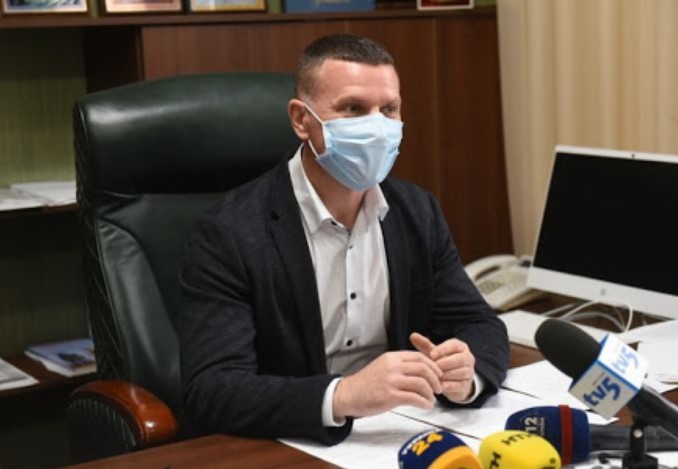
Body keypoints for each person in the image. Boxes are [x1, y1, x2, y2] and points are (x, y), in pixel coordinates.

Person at [179, 33, 509, 446]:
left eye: (388, 109)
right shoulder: (228, 233)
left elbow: (479, 323)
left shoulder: (416, 211)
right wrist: (344, 395)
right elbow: (212, 389)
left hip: (400, 433)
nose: (377, 127)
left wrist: (467, 372)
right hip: (290, 443)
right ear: (301, 120)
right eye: (353, 108)